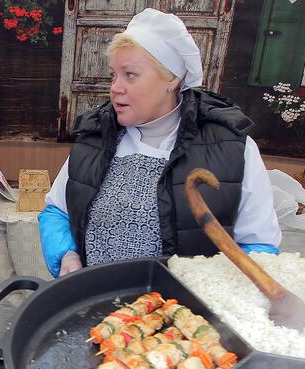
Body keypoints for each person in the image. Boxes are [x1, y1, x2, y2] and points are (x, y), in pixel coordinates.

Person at [39, 8, 281, 278]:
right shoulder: (95, 138)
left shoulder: (231, 148)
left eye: (130, 75)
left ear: (172, 79)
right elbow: (56, 212)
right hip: (98, 307)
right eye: (114, 75)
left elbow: (259, 246)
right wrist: (67, 255)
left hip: (187, 315)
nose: (115, 87)